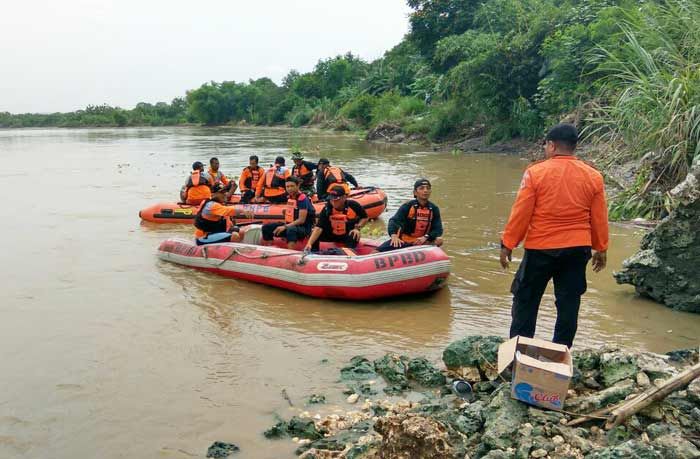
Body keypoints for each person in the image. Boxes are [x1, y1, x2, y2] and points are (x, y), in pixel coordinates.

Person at [500, 123, 609, 348]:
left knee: (526, 300)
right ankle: (561, 354)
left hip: (541, 248)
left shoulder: (536, 172)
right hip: (578, 249)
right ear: (574, 147)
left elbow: (521, 213)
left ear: (551, 145)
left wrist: (508, 243)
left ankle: (520, 353)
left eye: (545, 145)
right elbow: (599, 217)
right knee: (569, 304)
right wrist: (601, 248)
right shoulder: (593, 176)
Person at [376, 178, 444, 252]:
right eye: (421, 188)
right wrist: (394, 235)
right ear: (415, 192)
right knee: (376, 252)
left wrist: (426, 237)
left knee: (439, 240)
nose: (425, 190)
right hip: (404, 240)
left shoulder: (434, 208)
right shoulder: (407, 206)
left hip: (422, 241)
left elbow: (438, 229)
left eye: (428, 188)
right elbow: (394, 221)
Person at [304, 186, 368, 252]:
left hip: (346, 235)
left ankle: (348, 252)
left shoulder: (353, 205)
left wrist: (357, 228)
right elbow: (319, 228)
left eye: (336, 199)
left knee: (354, 234)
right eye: (331, 199)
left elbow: (365, 217)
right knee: (313, 233)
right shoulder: (327, 209)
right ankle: (314, 252)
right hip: (331, 235)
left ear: (344, 197)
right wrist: (309, 243)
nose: (333, 202)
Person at [261, 177, 315, 249]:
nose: (289, 189)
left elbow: (301, 220)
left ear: (298, 186)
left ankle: (290, 251)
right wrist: (286, 213)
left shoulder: (302, 199)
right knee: (266, 227)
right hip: (291, 224)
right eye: (287, 186)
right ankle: (270, 248)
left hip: (304, 229)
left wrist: (285, 227)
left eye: (292, 186)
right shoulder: (290, 197)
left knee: (291, 230)